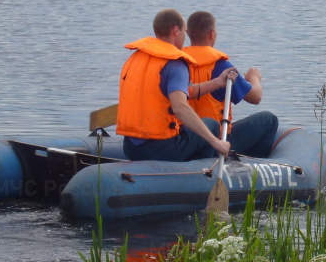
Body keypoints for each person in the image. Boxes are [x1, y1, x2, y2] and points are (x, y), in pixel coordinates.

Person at [116, 9, 236, 162]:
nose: (185, 37)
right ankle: (199, 171)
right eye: (184, 32)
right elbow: (179, 106)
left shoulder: (136, 58)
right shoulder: (174, 63)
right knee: (211, 124)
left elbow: (181, 91)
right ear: (176, 30)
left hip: (131, 147)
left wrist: (218, 82)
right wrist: (215, 142)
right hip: (161, 147)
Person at [184, 11, 279, 158]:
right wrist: (254, 78)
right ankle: (257, 165)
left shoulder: (177, 62)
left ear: (187, 33)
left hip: (185, 140)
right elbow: (255, 97)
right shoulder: (221, 66)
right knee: (269, 119)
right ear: (212, 34)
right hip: (217, 141)